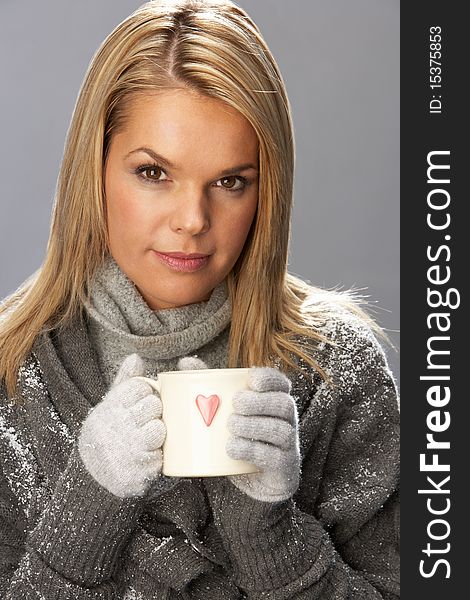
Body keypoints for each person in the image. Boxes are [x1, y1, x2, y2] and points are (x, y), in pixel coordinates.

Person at [0, 0, 399, 598]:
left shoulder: (338, 370)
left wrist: (271, 531)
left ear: (267, 193)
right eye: (154, 173)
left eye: (230, 182)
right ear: (96, 169)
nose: (192, 220)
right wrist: (89, 503)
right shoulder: (12, 372)